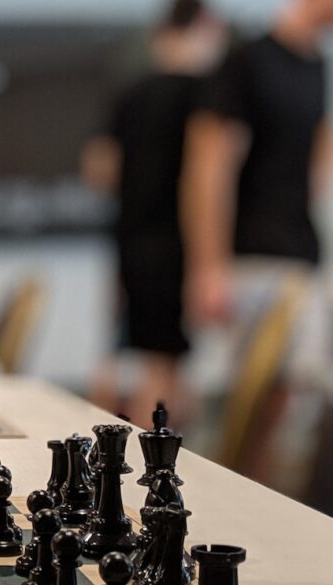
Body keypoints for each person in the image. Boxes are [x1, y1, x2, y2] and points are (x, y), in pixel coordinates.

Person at [181, 0, 333, 479]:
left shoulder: (321, 64)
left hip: (303, 260)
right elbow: (208, 167)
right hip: (251, 264)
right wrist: (208, 267)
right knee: (248, 425)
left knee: (295, 418)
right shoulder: (247, 61)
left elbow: (320, 166)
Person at [82, 0, 226, 428]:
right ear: (208, 27)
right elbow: (209, 181)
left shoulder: (130, 92)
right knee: (166, 372)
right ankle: (153, 475)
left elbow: (99, 169)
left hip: (131, 242)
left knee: (135, 358)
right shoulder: (209, 94)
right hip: (178, 246)